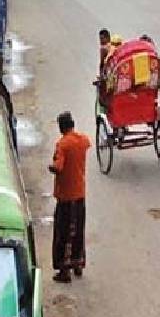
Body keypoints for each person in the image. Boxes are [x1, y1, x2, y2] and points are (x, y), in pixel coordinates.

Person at [48, 112, 91, 283]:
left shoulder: (62, 144)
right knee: (78, 230)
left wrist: (51, 167)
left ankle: (64, 271)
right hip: (80, 194)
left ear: (61, 127)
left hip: (65, 196)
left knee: (63, 233)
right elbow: (88, 144)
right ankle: (78, 263)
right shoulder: (82, 139)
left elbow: (58, 166)